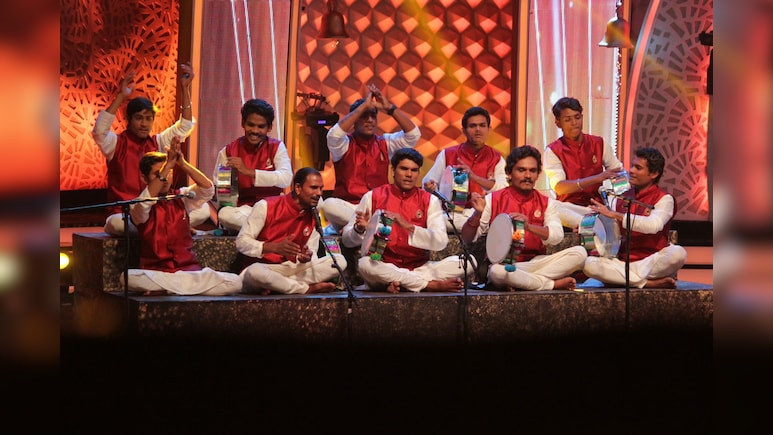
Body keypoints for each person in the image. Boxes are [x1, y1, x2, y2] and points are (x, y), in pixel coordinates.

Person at [92, 62, 210, 236]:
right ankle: (172, 227)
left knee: (204, 209)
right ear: (128, 119)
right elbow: (99, 132)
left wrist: (185, 89)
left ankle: (162, 227)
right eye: (139, 118)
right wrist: (121, 96)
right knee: (116, 225)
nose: (144, 124)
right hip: (125, 213)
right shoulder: (116, 144)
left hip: (157, 210)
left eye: (148, 119)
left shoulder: (159, 142)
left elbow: (185, 126)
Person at [341, 148, 474, 294]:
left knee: (469, 262)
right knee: (365, 265)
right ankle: (428, 285)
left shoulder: (430, 200)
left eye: (414, 170)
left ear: (419, 173)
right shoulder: (372, 196)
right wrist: (359, 230)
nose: (409, 174)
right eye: (404, 169)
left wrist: (409, 226)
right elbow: (347, 240)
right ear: (393, 171)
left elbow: (440, 241)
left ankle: (400, 283)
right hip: (385, 265)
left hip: (420, 268)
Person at [460, 145, 587, 291]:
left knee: (580, 253)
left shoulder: (546, 203)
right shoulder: (493, 199)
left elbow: (556, 236)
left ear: (538, 174)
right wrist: (477, 214)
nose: (528, 175)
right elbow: (467, 238)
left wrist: (529, 227)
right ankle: (549, 284)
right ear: (509, 173)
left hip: (535, 263)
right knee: (497, 271)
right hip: (503, 265)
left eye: (532, 171)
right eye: (521, 170)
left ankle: (521, 281)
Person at [126, 144, 243, 295]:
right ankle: (181, 290)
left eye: (168, 173)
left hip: (188, 272)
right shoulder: (138, 204)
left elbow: (208, 189)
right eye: (158, 174)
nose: (165, 178)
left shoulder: (181, 197)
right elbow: (145, 203)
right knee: (127, 278)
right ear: (144, 178)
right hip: (159, 274)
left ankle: (171, 291)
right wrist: (167, 166)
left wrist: (182, 163)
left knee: (235, 282)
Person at [320, 84, 420, 233]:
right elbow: (333, 135)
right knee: (328, 205)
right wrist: (363, 107)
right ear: (354, 120)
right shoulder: (344, 144)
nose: (370, 120)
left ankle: (355, 227)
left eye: (373, 116)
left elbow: (413, 135)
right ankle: (368, 226)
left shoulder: (385, 143)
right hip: (349, 207)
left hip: (377, 209)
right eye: (364, 116)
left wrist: (390, 108)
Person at [582, 147, 687, 288]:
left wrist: (616, 215)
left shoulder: (665, 199)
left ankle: (623, 279)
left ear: (654, 173)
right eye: (632, 166)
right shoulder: (620, 196)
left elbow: (653, 225)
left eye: (638, 168)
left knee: (678, 254)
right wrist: (591, 229)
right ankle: (645, 283)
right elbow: (612, 232)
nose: (631, 171)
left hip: (650, 262)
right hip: (622, 263)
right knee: (589, 264)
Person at [236, 167, 347, 295]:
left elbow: (311, 252)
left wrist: (305, 257)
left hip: (291, 269)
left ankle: (279, 286)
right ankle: (305, 289)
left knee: (339, 261)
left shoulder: (313, 215)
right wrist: (274, 247)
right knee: (255, 273)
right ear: (298, 188)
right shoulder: (266, 206)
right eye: (314, 188)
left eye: (321, 188)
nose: (319, 193)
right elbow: (241, 242)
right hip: (264, 267)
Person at [544, 97, 625, 228]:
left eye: (577, 117)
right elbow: (559, 187)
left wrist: (620, 204)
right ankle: (589, 227)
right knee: (553, 208)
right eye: (567, 120)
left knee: (613, 222)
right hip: (570, 210)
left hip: (597, 207)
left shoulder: (598, 143)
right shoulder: (553, 150)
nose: (574, 123)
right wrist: (597, 178)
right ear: (558, 123)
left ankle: (593, 227)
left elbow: (619, 172)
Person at [422, 106, 508, 231]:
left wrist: (474, 178)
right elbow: (427, 183)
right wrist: (430, 186)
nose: (478, 130)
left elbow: (503, 190)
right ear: (464, 131)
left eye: (482, 125)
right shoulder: (448, 154)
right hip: (452, 215)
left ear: (489, 129)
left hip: (482, 214)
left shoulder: (496, 158)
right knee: (441, 220)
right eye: (472, 126)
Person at [213, 98, 293, 232]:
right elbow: (221, 190)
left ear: (269, 128)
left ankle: (260, 228)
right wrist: (225, 186)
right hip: (245, 211)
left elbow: (286, 178)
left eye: (261, 126)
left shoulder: (276, 147)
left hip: (271, 207)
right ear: (243, 123)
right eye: (251, 125)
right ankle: (269, 228)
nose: (255, 131)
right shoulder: (229, 151)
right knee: (225, 215)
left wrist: (249, 172)